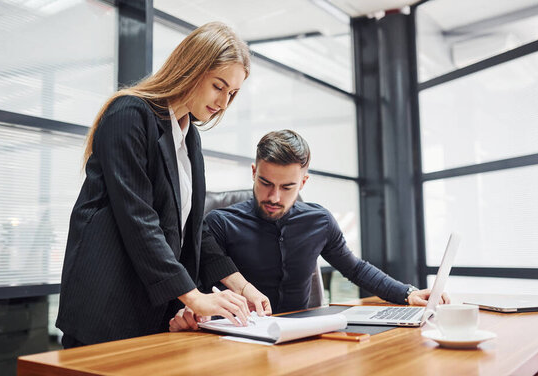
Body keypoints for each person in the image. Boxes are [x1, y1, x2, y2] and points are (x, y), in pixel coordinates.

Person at [56, 22, 270, 347]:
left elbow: (193, 231)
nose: (224, 103)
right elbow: (139, 221)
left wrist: (241, 286)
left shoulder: (188, 137)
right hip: (107, 307)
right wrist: (195, 298)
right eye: (218, 86)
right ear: (192, 69)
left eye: (232, 93)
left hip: (150, 312)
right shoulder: (129, 114)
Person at [169, 129, 449, 331]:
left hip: (303, 336)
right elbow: (198, 285)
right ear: (253, 172)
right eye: (266, 182)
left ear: (303, 182)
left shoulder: (320, 221)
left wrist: (408, 293)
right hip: (240, 338)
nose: (275, 196)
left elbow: (355, 269)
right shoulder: (219, 223)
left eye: (287, 187)